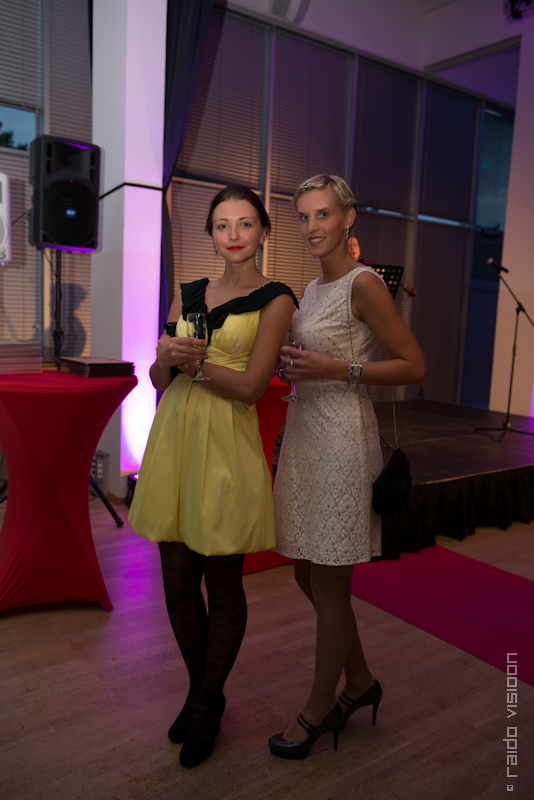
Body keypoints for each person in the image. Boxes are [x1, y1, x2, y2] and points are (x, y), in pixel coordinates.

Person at [128, 185, 297, 769]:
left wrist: (195, 368)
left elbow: (251, 387)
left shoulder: (277, 298)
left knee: (222, 582)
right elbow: (160, 381)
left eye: (245, 223)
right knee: (177, 582)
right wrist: (165, 358)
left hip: (226, 444)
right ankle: (204, 695)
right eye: (222, 224)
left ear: (263, 231)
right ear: (210, 234)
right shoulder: (190, 291)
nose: (234, 235)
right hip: (176, 440)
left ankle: (205, 707)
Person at [269, 174, 426, 760]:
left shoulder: (364, 284)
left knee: (330, 582)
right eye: (304, 216)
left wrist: (338, 370)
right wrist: (293, 365)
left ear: (348, 217)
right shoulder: (312, 289)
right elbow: (317, 356)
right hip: (305, 434)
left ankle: (320, 709)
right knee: (305, 574)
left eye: (323, 214)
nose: (312, 226)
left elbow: (414, 365)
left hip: (342, 441)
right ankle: (360, 682)